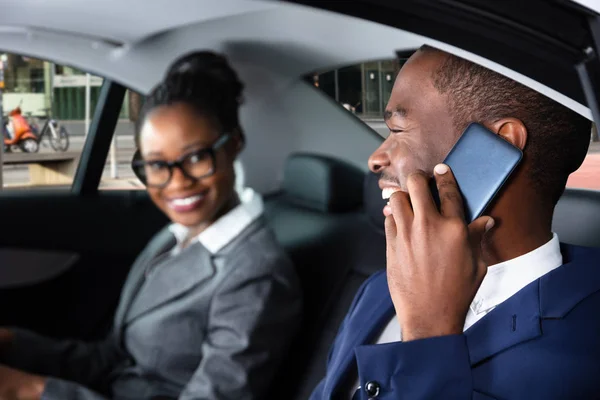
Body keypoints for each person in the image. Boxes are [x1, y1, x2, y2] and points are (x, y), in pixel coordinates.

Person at [0, 51, 302, 400]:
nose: (177, 183)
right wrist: (14, 344)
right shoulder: (175, 237)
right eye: (157, 165)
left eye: (195, 157)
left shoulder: (257, 274)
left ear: (233, 144)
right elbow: (114, 359)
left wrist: (29, 391)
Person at [310, 45, 600, 399]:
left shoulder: (582, 355)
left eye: (398, 130)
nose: (375, 158)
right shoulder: (381, 288)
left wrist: (427, 334)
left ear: (499, 144)